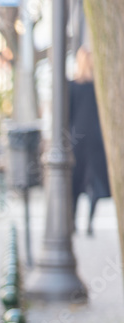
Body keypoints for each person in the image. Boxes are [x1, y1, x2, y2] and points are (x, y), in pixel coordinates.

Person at [69, 46, 111, 236]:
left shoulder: (73, 86)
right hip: (95, 138)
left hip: (79, 138)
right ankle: (89, 224)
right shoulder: (97, 86)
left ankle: (75, 221)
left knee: (77, 181)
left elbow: (68, 115)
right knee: (92, 182)